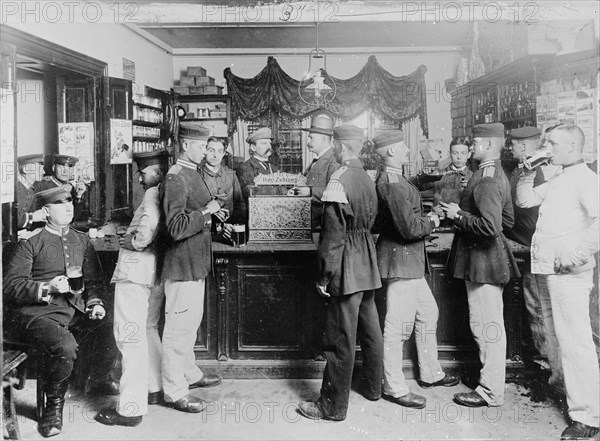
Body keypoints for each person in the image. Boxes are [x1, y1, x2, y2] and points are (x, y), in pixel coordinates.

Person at [3, 185, 118, 438]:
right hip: (40, 313)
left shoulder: (81, 240)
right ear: (46, 211)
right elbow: (11, 286)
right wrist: (48, 286)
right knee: (65, 346)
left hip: (75, 308)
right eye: (61, 205)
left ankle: (97, 378)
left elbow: (95, 282)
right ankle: (52, 409)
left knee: (111, 325)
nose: (69, 208)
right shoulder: (30, 244)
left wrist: (95, 303)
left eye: (70, 203)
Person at [516, 123, 599, 440]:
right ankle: (564, 388)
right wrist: (526, 173)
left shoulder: (586, 180)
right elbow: (525, 201)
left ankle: (588, 415)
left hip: (569, 273)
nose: (544, 148)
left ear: (571, 146)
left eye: (550, 143)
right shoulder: (560, 177)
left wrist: (577, 253)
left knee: (576, 342)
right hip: (548, 269)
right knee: (554, 335)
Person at [297, 125, 383, 421]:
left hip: (346, 266)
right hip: (367, 263)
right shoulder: (366, 177)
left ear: (340, 145)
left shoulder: (339, 179)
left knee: (339, 339)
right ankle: (373, 387)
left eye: (334, 142)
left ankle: (331, 406)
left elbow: (332, 237)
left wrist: (324, 275)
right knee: (371, 331)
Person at [372, 131, 460, 409]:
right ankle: (394, 386)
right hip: (402, 261)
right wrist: (433, 219)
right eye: (403, 148)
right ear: (390, 153)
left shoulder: (397, 179)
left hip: (408, 260)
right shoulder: (393, 182)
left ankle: (430, 373)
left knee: (428, 313)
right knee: (397, 328)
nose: (408, 152)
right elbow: (408, 228)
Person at [441, 122, 520, 408]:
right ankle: (491, 386)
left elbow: (490, 226)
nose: (471, 147)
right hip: (485, 258)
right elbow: (507, 221)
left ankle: (490, 391)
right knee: (486, 323)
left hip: (483, 261)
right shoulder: (498, 172)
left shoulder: (486, 177)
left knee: (486, 326)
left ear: (488, 144)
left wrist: (458, 214)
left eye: (474, 142)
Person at [95, 150, 170, 427]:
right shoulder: (166, 191)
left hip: (135, 272)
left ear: (157, 173)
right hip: (154, 272)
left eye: (143, 172)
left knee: (130, 337)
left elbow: (148, 226)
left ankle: (130, 408)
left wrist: (135, 241)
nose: (140, 178)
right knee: (148, 329)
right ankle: (154, 387)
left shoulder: (151, 196)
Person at [160, 122, 223, 414]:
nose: (205, 151)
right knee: (178, 331)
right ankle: (174, 391)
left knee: (190, 325)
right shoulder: (175, 178)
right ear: (186, 145)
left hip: (194, 262)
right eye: (201, 146)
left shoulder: (190, 172)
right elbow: (175, 228)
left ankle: (189, 373)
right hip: (182, 263)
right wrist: (206, 212)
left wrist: (208, 210)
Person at [504, 126, 561, 388]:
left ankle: (545, 364)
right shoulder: (522, 168)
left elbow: (527, 208)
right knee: (533, 306)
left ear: (525, 147)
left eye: (515, 145)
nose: (511, 148)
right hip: (525, 244)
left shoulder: (536, 172)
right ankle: (542, 359)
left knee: (536, 306)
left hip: (533, 247)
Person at [199, 136, 246, 241]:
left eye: (220, 151)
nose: (215, 155)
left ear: (224, 153)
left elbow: (240, 205)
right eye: (211, 151)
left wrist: (236, 227)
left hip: (230, 233)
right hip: (206, 235)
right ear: (204, 151)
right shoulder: (197, 175)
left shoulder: (231, 175)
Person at [300, 110, 340, 230]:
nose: (308, 142)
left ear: (323, 139)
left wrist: (309, 191)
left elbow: (335, 193)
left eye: (311, 138)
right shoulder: (317, 159)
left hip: (321, 224)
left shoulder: (333, 161)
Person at [33, 154, 87, 220]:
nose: (65, 172)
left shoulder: (71, 187)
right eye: (61, 167)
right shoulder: (41, 185)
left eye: (69, 169)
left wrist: (78, 196)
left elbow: (73, 217)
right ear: (53, 167)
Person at [236, 127, 279, 200]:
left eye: (269, 143)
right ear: (253, 147)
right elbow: (248, 193)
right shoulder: (244, 168)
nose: (269, 146)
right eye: (264, 143)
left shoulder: (274, 168)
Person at [432, 137, 474, 206]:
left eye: (463, 153)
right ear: (449, 154)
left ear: (469, 155)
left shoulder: (473, 177)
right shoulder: (438, 175)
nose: (459, 157)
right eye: (455, 153)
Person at [14, 154, 47, 232]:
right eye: (39, 168)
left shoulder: (30, 191)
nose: (44, 172)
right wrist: (34, 216)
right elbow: (9, 219)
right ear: (25, 169)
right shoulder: (15, 189)